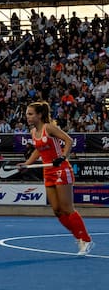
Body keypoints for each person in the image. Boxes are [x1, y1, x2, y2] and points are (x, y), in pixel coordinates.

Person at [19, 101, 93, 255]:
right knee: (57, 210)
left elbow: (69, 140)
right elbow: (38, 150)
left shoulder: (49, 128)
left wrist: (63, 157)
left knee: (67, 208)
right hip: (48, 172)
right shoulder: (33, 132)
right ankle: (79, 237)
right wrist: (26, 164)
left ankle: (85, 239)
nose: (27, 117)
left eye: (30, 114)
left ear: (39, 115)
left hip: (61, 169)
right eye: (27, 114)